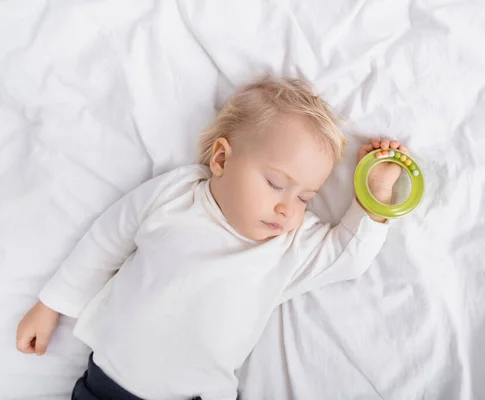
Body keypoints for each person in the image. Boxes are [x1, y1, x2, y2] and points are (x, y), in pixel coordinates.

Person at [16, 76, 407, 400]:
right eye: (275, 184)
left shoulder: (289, 245)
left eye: (306, 198)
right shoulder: (177, 195)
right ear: (221, 159)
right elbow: (106, 240)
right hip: (109, 385)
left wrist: (375, 194)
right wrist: (52, 304)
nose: (288, 208)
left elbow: (348, 256)